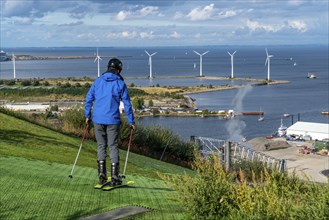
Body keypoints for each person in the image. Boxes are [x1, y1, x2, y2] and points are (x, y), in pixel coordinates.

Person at [84, 58, 135, 186]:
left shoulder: (97, 81)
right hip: (113, 120)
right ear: (118, 70)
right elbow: (127, 104)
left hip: (97, 119)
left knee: (101, 146)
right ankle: (114, 177)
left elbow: (89, 99)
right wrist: (131, 121)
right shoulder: (120, 83)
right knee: (113, 146)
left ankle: (101, 175)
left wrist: (87, 115)